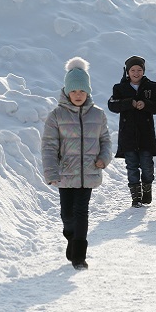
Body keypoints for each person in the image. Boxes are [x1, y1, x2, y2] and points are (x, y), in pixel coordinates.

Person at [41, 57, 113, 270]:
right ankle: (71, 238)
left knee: (82, 212)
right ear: (67, 92)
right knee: (67, 215)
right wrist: (51, 171)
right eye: (74, 91)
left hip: (89, 173)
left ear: (88, 91)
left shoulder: (98, 115)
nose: (78, 95)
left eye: (82, 91)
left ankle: (79, 256)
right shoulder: (56, 116)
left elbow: (105, 140)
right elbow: (49, 146)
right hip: (65, 174)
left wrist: (104, 158)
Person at [108, 56, 156, 208]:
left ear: (143, 71)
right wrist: (128, 103)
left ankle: (147, 188)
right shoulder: (120, 88)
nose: (136, 73)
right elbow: (112, 106)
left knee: (147, 165)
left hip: (146, 135)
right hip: (128, 135)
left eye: (139, 70)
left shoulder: (151, 87)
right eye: (133, 70)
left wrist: (145, 104)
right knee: (131, 166)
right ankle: (136, 197)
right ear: (128, 72)